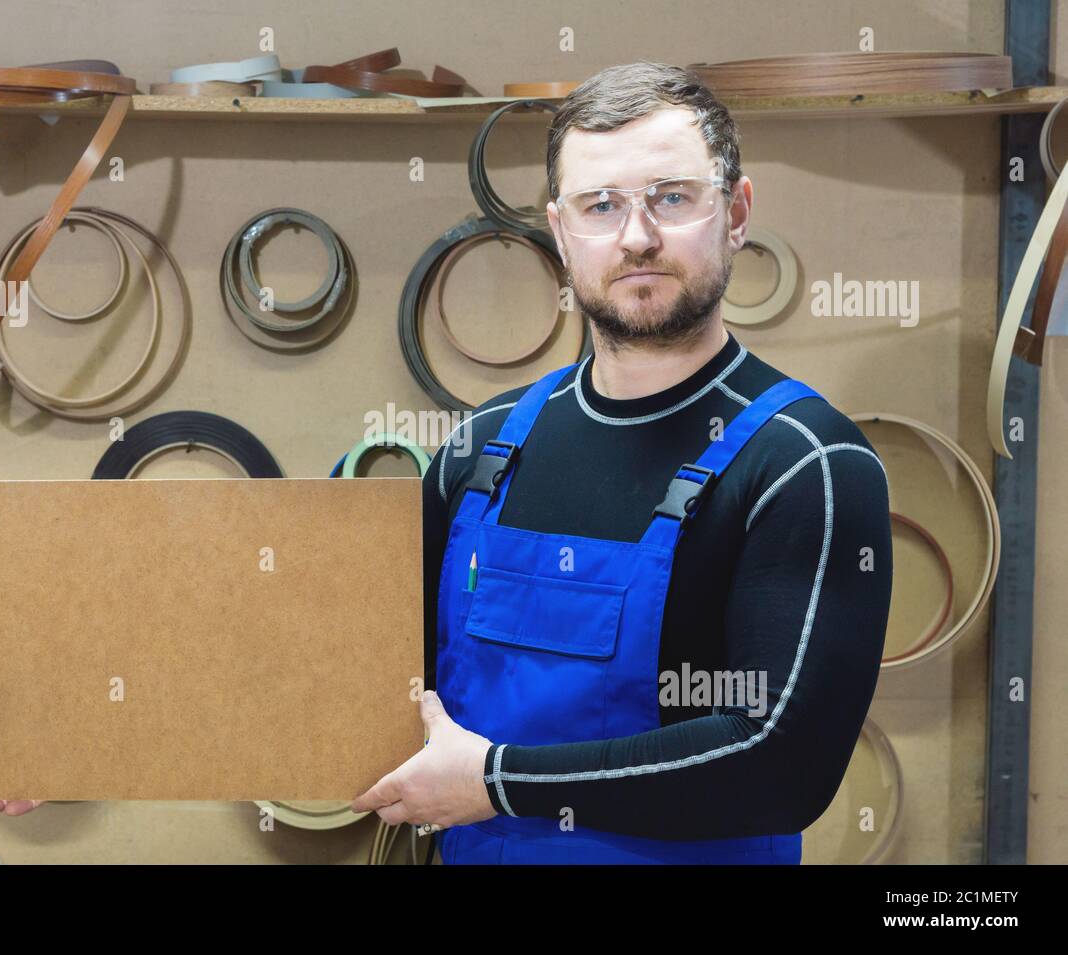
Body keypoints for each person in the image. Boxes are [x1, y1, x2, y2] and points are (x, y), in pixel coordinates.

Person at [349, 62, 893, 864]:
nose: (636, 235)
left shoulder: (805, 462)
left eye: (672, 196)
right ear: (560, 230)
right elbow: (378, 682)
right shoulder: (481, 447)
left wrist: (499, 782)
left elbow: (783, 764)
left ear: (736, 212)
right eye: (599, 205)